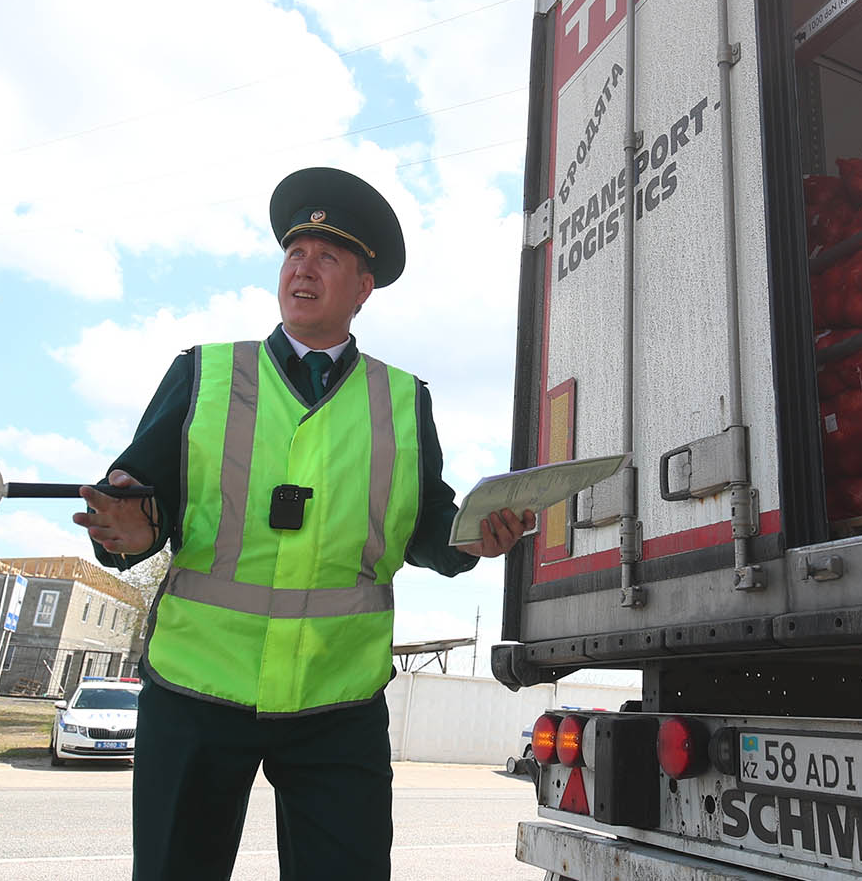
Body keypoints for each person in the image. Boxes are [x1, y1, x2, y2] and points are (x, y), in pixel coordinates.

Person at [73, 166, 535, 881]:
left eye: (327, 256)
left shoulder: (405, 399)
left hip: (337, 698)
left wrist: (471, 539)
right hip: (199, 690)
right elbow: (135, 499)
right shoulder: (204, 373)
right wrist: (128, 534)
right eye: (294, 253)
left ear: (362, 288)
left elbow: (424, 526)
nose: (303, 267)